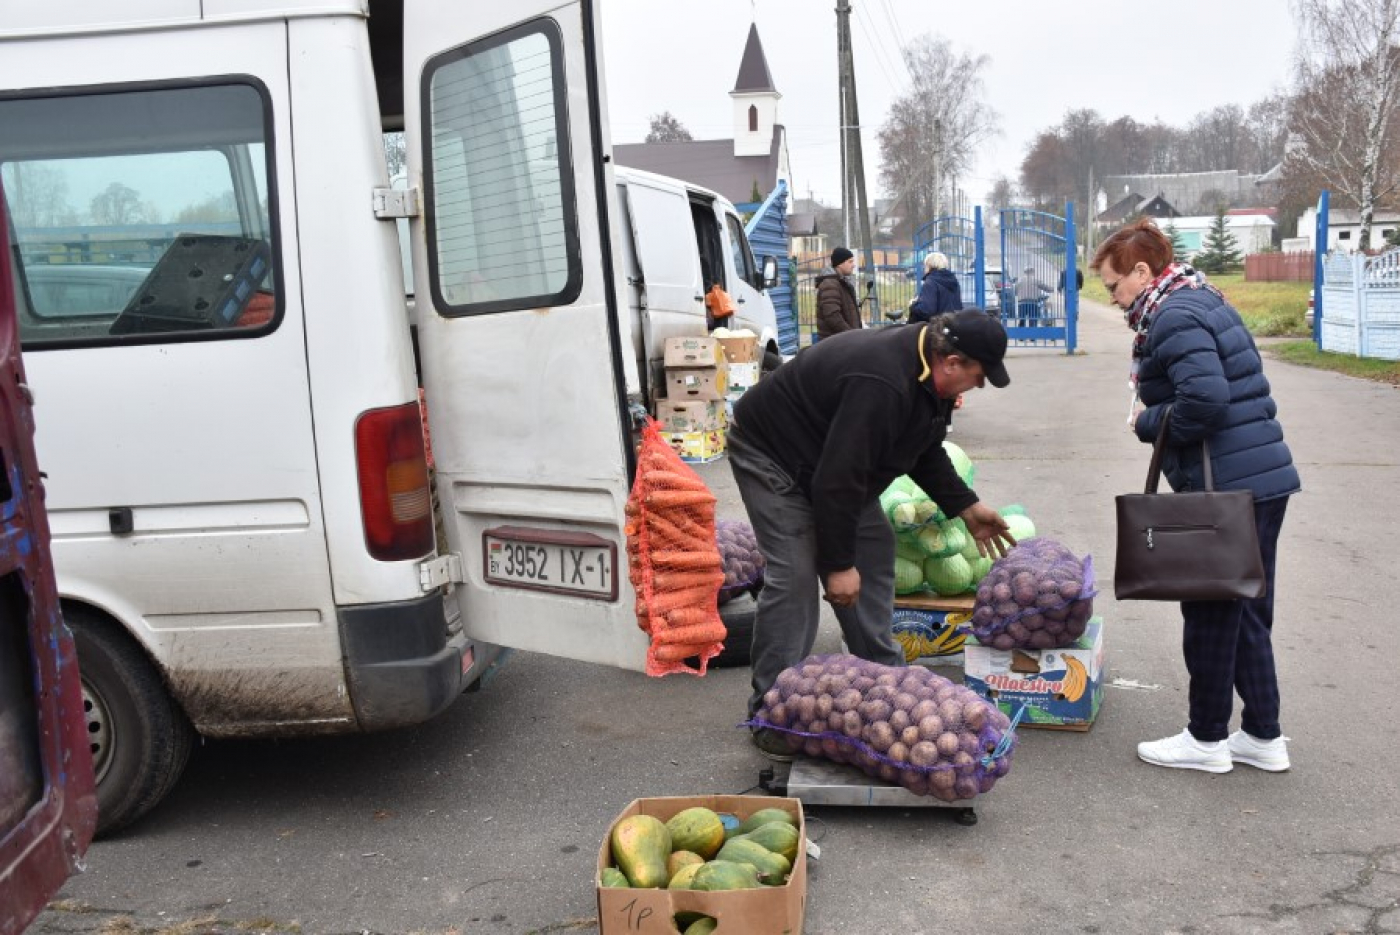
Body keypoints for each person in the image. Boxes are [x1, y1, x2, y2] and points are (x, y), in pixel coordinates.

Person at [726, 309, 1017, 760]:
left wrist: (965, 505)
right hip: (773, 453)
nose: (978, 387)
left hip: (829, 460)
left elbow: (921, 447)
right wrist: (839, 566)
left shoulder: (926, 375)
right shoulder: (881, 381)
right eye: (978, 376)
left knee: (875, 547)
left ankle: (882, 675)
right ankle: (772, 709)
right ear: (953, 362)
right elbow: (836, 481)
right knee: (796, 574)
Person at [1093, 218, 1300, 774]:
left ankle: (1206, 739)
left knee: (1210, 611)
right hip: (1262, 480)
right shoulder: (1202, 298)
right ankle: (1262, 735)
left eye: (1114, 286)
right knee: (1248, 609)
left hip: (1226, 488)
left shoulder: (1174, 315)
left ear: (1142, 271)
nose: (1112, 299)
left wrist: (1147, 419)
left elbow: (1204, 401)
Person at [814, 246, 862, 339]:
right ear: (840, 264)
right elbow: (833, 316)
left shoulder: (841, 283)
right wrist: (851, 335)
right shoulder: (830, 284)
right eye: (850, 261)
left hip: (842, 341)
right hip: (835, 344)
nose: (853, 265)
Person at [908, 251, 963, 323]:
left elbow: (927, 310)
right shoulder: (954, 281)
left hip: (936, 328)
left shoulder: (931, 283)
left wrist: (913, 305)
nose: (924, 268)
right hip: (953, 325)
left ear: (930, 266)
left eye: (925, 265)